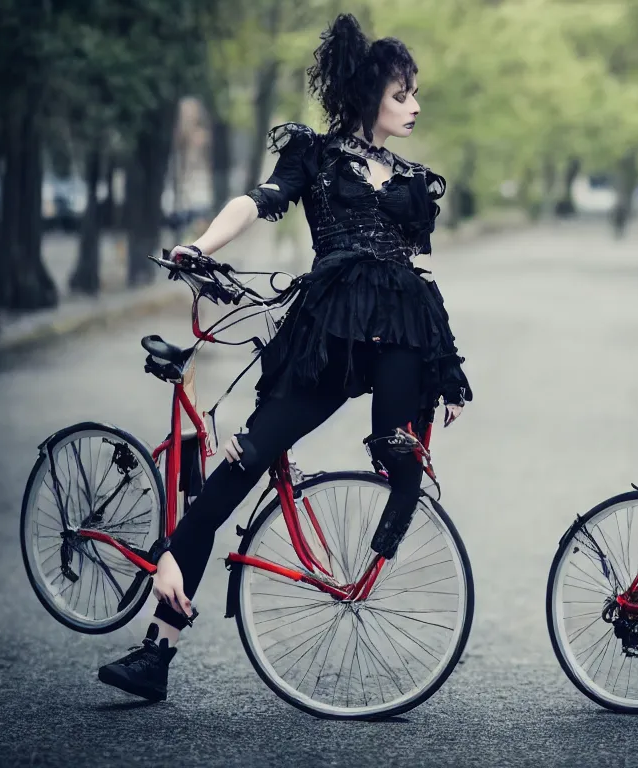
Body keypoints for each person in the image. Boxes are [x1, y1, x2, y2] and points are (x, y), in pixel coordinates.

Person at [98, 13, 472, 703]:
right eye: (401, 94)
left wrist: (447, 369)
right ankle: (159, 644)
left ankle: (378, 554)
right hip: (327, 336)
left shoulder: (413, 180)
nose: (415, 106)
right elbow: (258, 201)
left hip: (401, 336)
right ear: (368, 99)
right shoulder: (317, 157)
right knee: (242, 461)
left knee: (399, 454)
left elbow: (422, 276)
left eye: (416, 94)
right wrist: (203, 246)